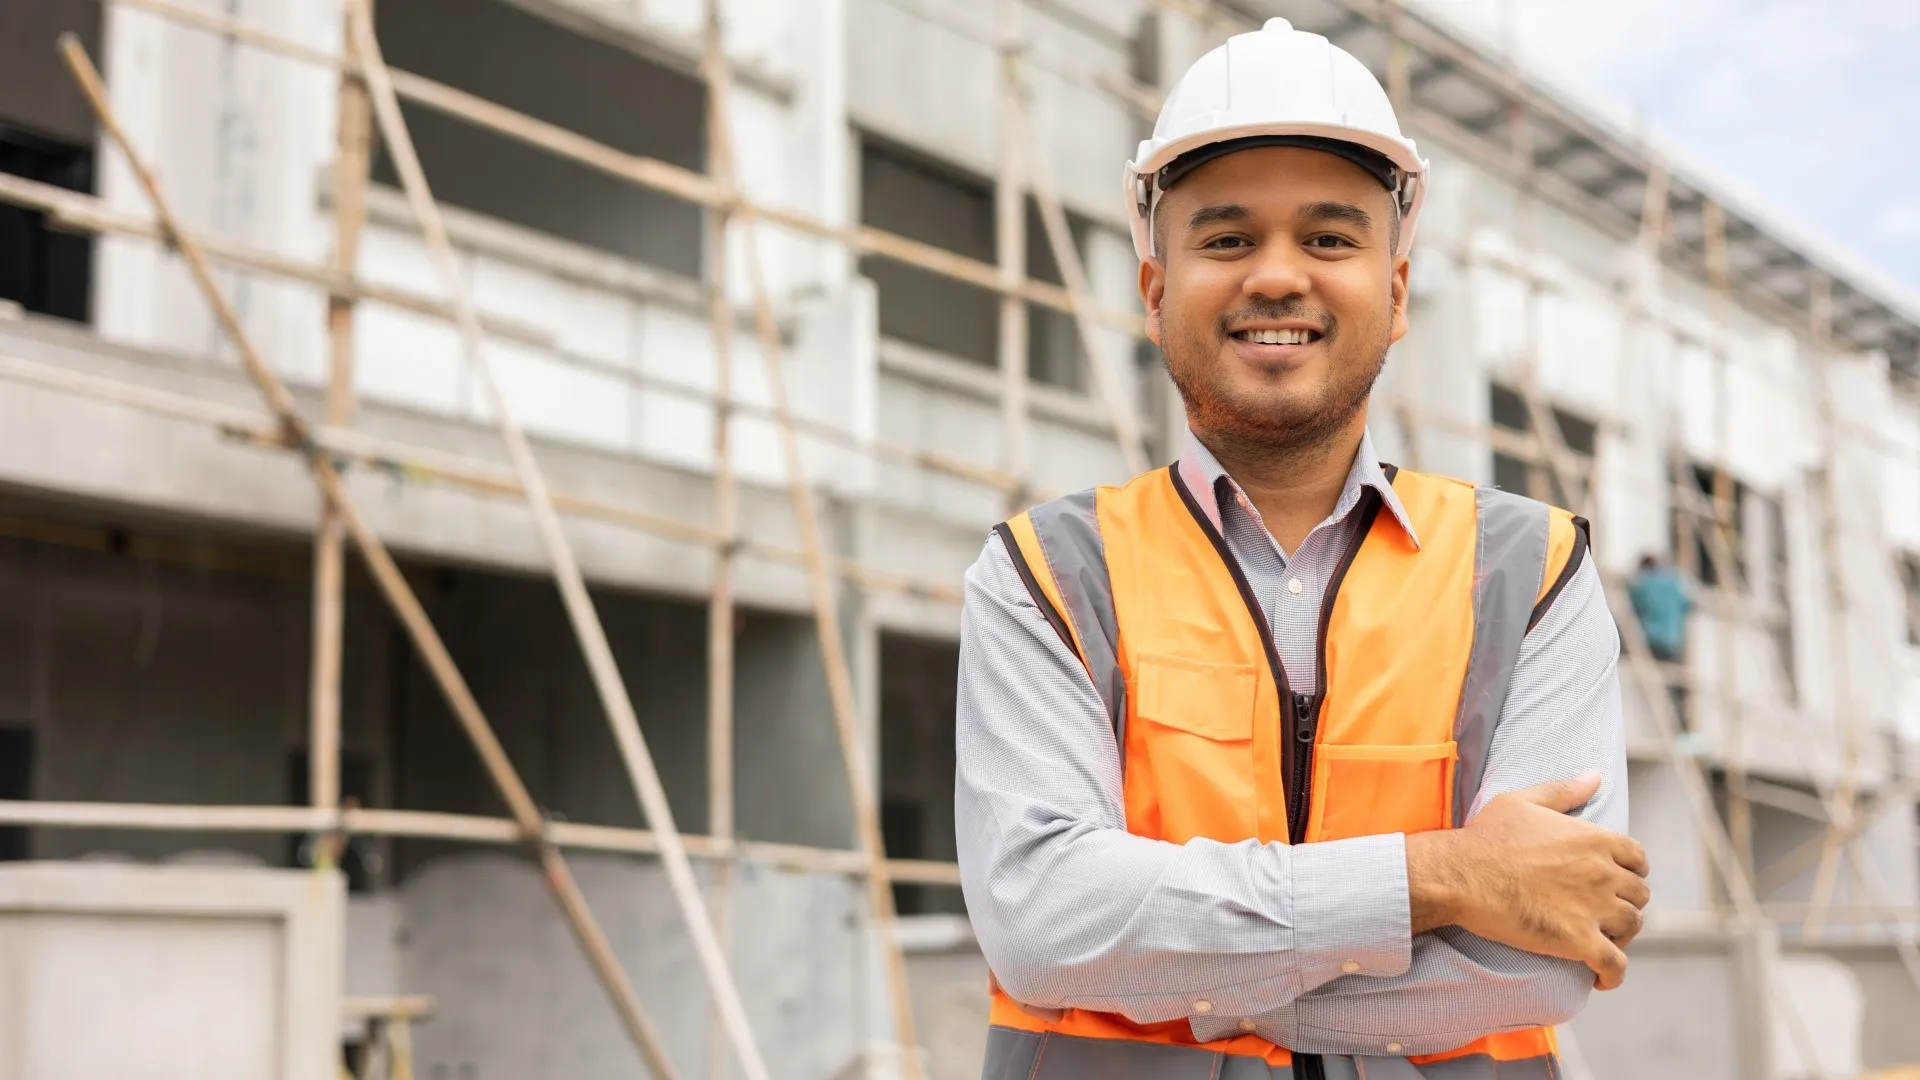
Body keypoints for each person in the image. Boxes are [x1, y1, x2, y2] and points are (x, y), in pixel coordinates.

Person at [954, 19, 1647, 1080]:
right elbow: (1044, 925)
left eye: (1329, 239)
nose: (1277, 277)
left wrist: (1166, 980)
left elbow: (1541, 964)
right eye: (1227, 240)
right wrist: (1441, 876)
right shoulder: (1042, 575)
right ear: (1154, 291)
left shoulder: (1531, 572)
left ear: (1398, 290)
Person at [1628, 553, 1693, 732]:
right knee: (1677, 686)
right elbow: (1686, 605)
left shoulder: (1642, 585)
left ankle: (1661, 726)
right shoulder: (1673, 583)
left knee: (1655, 682)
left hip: (1651, 640)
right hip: (1673, 640)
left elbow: (1633, 602)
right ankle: (1681, 729)